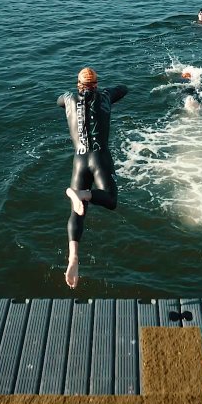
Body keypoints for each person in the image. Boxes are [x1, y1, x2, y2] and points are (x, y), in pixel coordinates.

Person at [57, 67, 128, 289]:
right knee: (110, 198)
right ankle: (82, 194)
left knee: (77, 214)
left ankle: (73, 258)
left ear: (78, 85)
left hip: (79, 160)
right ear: (96, 85)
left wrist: (72, 99)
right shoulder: (105, 96)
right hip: (99, 158)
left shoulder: (68, 98)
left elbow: (58, 99)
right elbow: (123, 89)